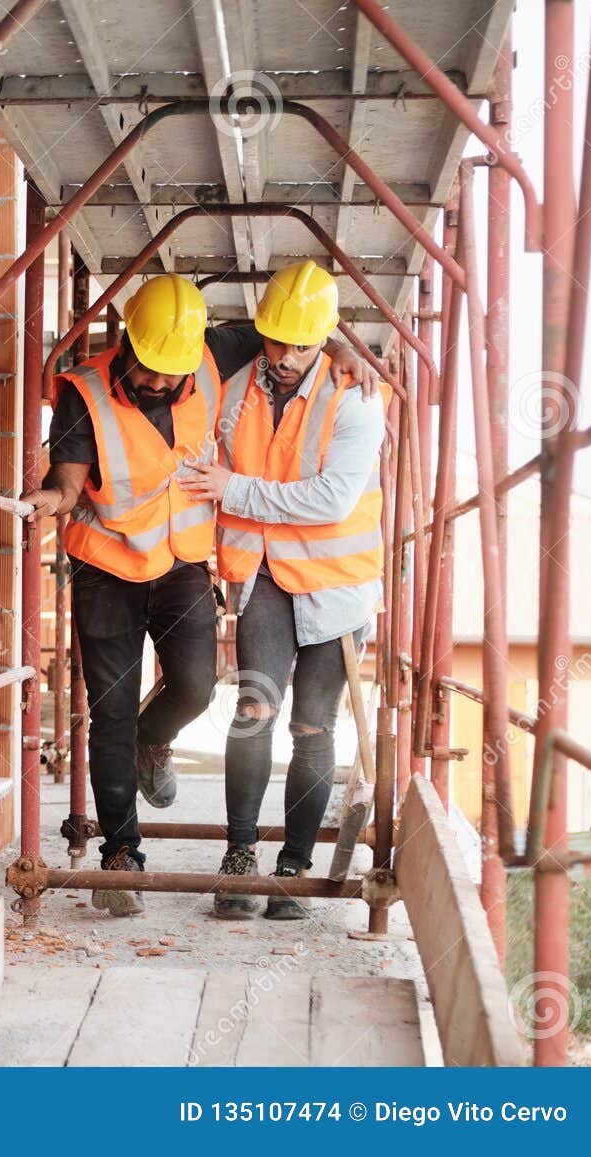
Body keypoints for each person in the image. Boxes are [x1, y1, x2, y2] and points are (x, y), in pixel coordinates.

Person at [22, 273, 379, 916]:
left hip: (200, 564)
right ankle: (122, 857)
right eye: (151, 369)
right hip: (108, 564)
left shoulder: (218, 354)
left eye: (173, 371)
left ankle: (159, 748)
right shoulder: (86, 391)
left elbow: (301, 337)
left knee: (202, 688)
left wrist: (347, 349)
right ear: (128, 339)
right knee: (114, 714)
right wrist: (53, 497)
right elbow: (69, 478)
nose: (161, 382)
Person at [178, 259, 389, 919]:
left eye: (302, 343)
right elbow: (179, 370)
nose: (288, 355)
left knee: (312, 724)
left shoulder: (354, 397)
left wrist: (232, 489)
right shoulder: (237, 377)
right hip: (265, 571)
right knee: (254, 709)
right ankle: (239, 858)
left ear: (326, 336)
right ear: (260, 331)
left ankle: (292, 870)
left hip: (336, 585)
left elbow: (331, 498)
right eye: (277, 341)